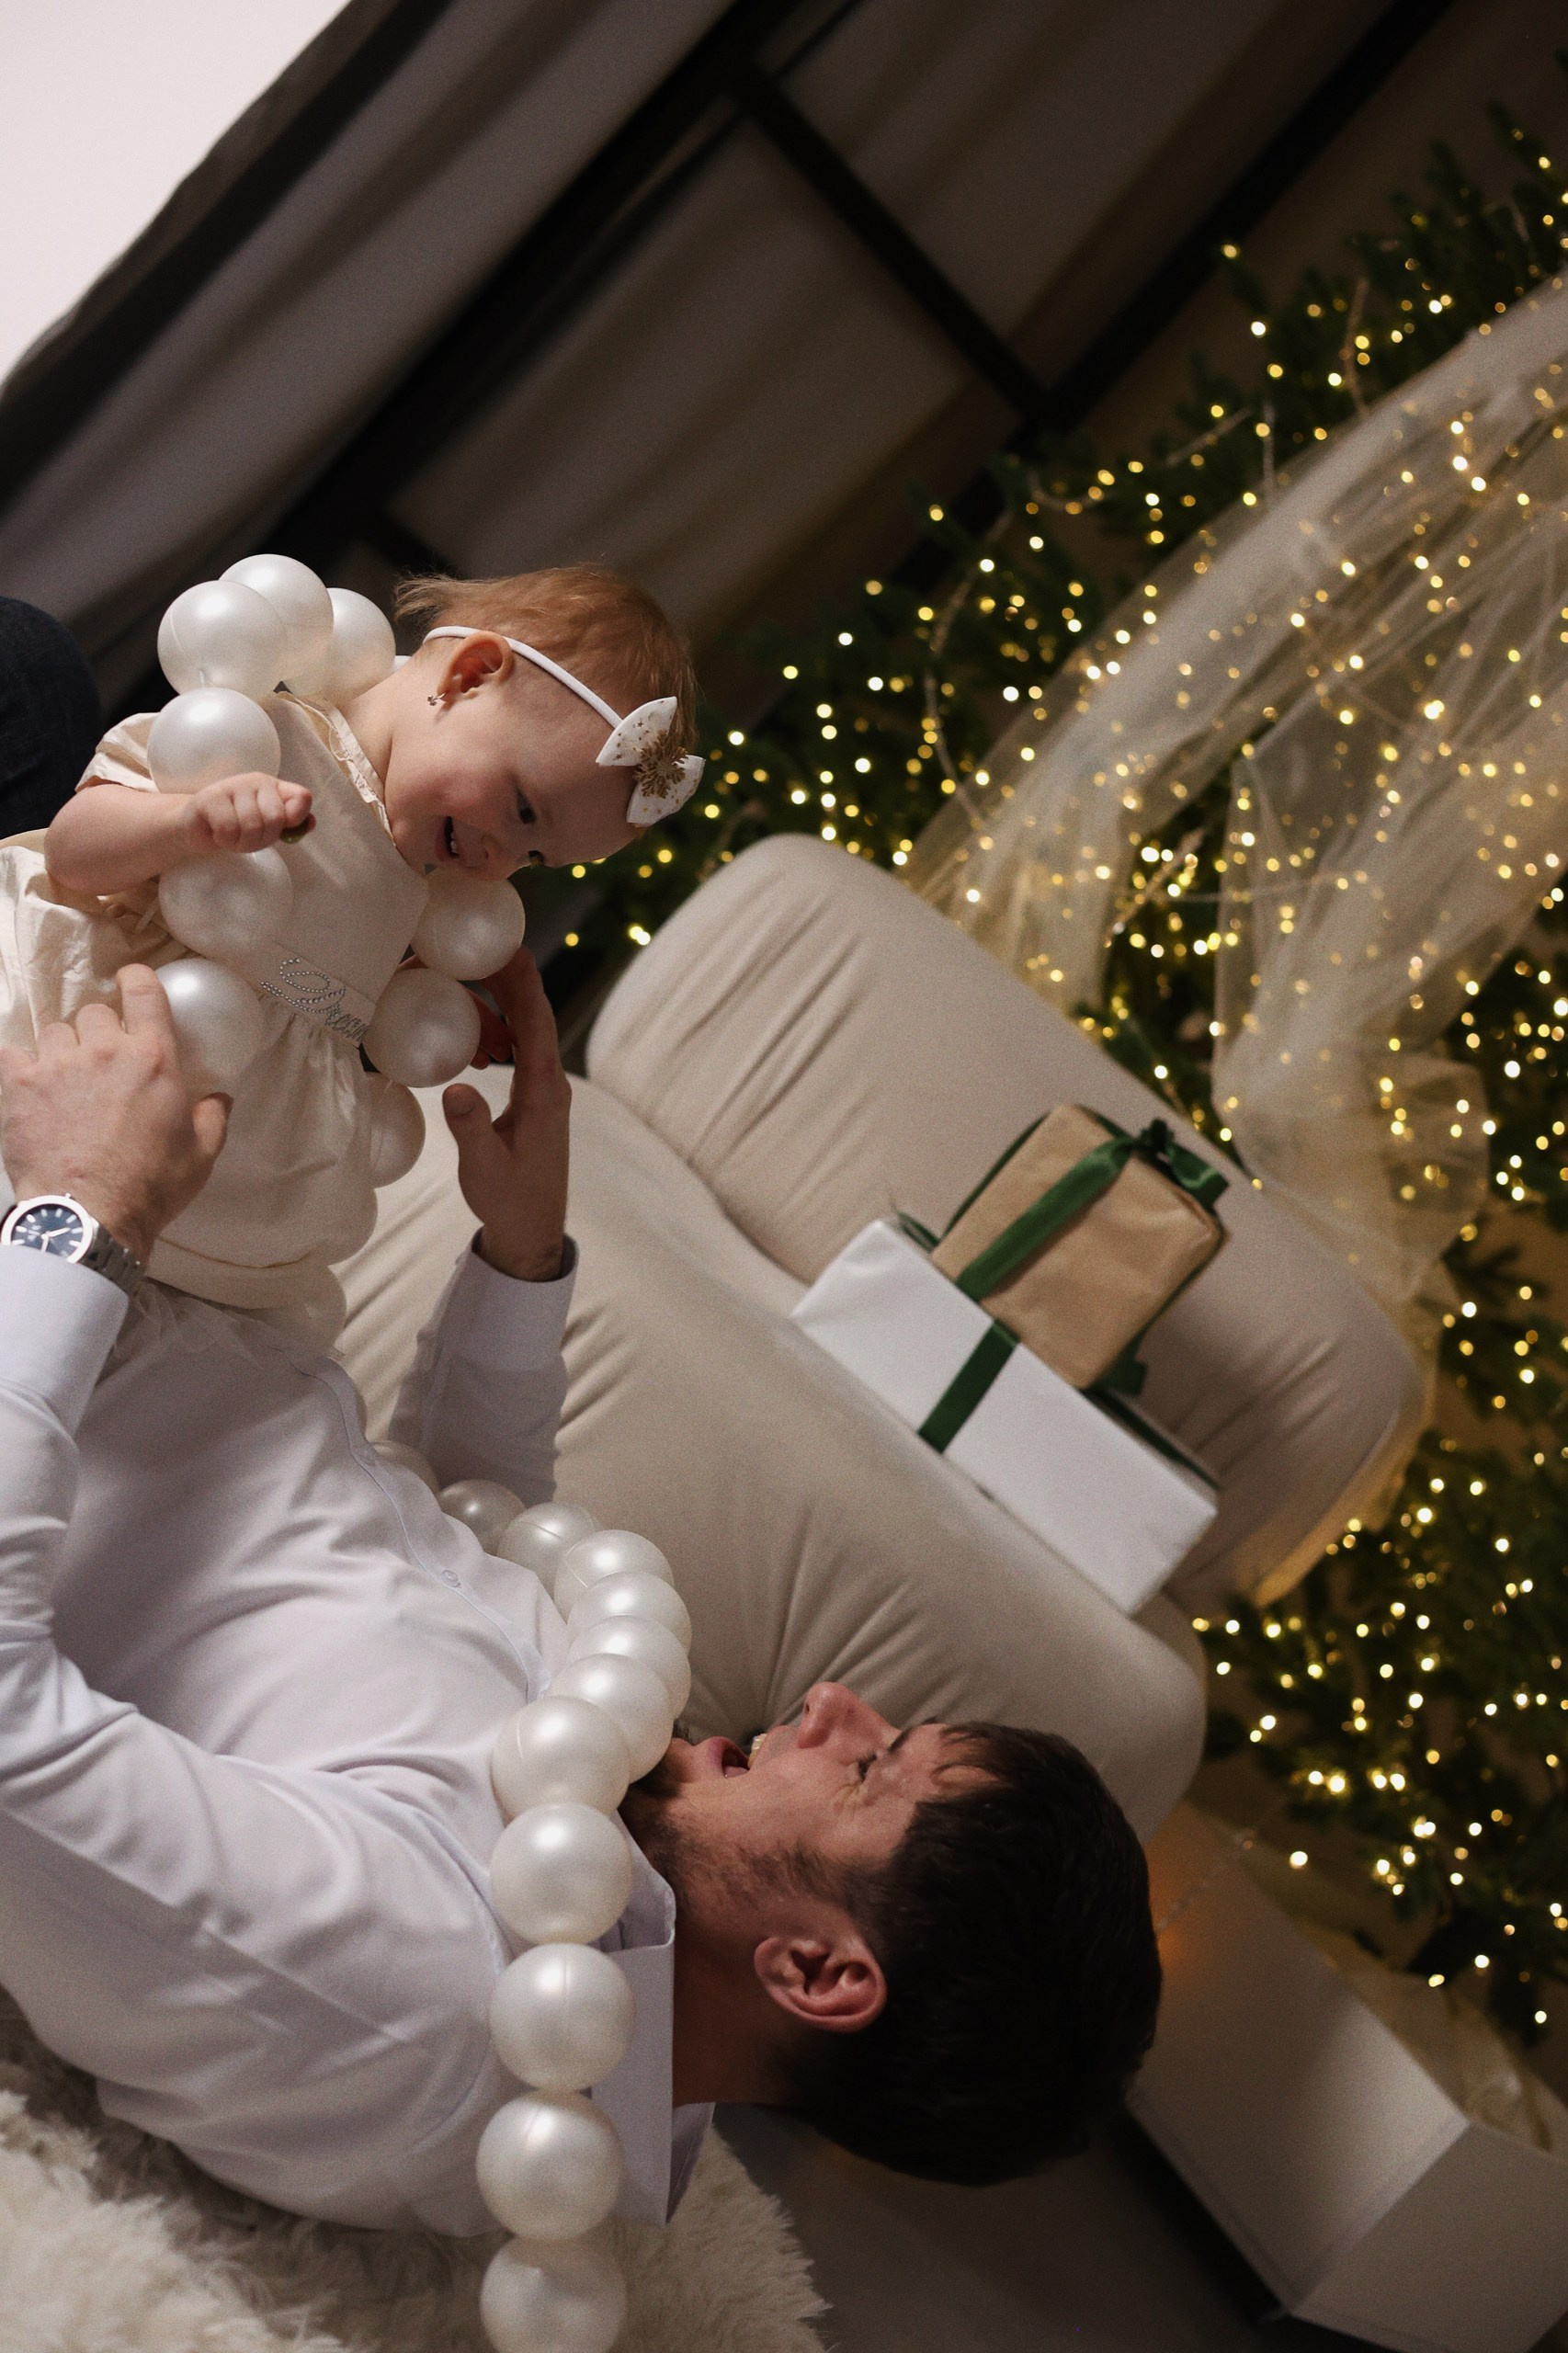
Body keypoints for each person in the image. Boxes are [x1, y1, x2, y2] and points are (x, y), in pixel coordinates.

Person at [0, 948, 1161, 2234]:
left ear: (819, 1973)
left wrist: (79, 1212)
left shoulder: (423, 1994)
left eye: (869, 1773)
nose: (834, 1702)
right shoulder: (598, 1897)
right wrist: (521, 1255)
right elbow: (445, 1569)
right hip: (158, 1269)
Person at [0, 565, 701, 1332]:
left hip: (235, 1166)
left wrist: (397, 1005)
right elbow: (71, 853)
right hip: (92, 1056)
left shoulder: (424, 887)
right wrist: (184, 824)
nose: (498, 860)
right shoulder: (262, 737)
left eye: (535, 859)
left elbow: (311, 983)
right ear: (468, 677)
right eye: (523, 810)